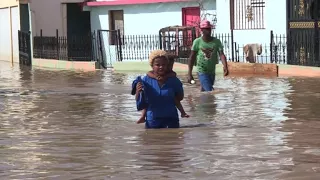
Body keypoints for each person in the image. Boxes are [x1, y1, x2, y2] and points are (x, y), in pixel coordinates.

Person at [133, 50, 185, 128]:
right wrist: (137, 91)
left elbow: (180, 97)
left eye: (163, 64)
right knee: (153, 139)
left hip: (171, 119)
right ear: (152, 66)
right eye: (157, 65)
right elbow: (140, 101)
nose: (161, 67)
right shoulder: (146, 80)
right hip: (152, 120)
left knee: (174, 139)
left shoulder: (174, 80)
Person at [187, 20, 229, 92]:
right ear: (202, 30)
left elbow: (221, 54)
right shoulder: (197, 42)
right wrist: (189, 73)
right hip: (201, 71)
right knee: (210, 91)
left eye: (209, 29)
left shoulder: (216, 42)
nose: (208, 30)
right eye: (206, 29)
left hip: (212, 71)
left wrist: (225, 66)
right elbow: (192, 57)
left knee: (205, 91)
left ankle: (202, 102)